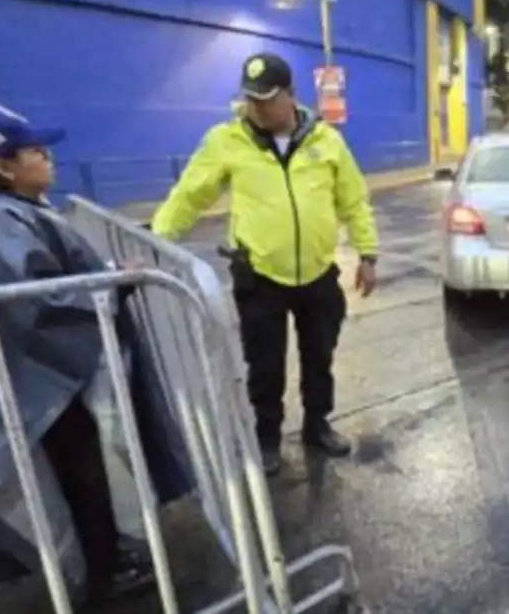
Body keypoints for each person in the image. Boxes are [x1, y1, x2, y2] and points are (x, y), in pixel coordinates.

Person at [0, 103, 196, 605]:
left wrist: (102, 275)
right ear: (3, 165)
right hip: (48, 386)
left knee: (81, 475)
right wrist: (114, 284)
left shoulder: (7, 212)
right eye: (37, 152)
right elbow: (39, 300)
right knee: (79, 479)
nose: (49, 160)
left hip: (45, 378)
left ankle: (103, 561)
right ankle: (100, 575)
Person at [151, 53, 380, 476]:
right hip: (260, 277)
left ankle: (317, 425)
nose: (257, 108)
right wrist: (155, 244)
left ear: (292, 95)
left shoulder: (326, 141)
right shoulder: (226, 140)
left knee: (319, 357)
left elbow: (354, 202)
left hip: (317, 274)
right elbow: (189, 195)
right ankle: (268, 437)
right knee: (264, 364)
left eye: (268, 99)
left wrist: (367, 255)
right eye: (251, 99)